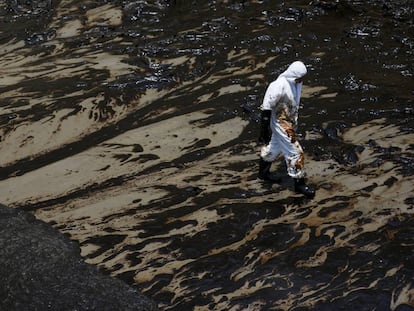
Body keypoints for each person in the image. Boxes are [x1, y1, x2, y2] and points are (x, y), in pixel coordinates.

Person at [258, 60, 315, 198]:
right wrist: (264, 130)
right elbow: (266, 107)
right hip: (280, 124)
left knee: (274, 148)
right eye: (299, 77)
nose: (301, 80)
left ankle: (263, 174)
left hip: (288, 122)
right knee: (296, 152)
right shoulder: (278, 86)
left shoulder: (295, 84)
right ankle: (299, 184)